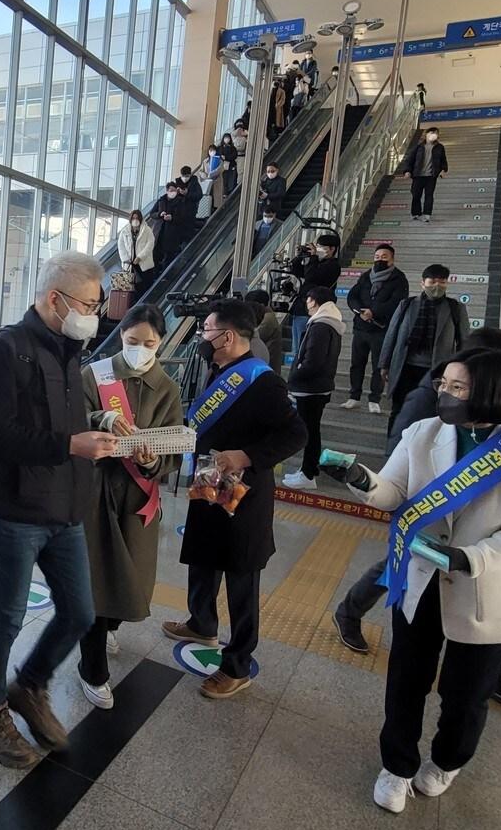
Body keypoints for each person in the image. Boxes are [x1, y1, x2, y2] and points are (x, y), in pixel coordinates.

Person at [321, 350, 501, 813]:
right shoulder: (423, 433)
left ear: (488, 392)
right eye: (443, 384)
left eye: (456, 387)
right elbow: (394, 493)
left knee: (467, 694)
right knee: (406, 680)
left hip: (482, 589)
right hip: (421, 577)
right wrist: (359, 478)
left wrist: (469, 558)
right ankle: (397, 765)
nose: (442, 394)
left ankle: (447, 761)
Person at [0, 251, 118, 768]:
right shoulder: (4, 349)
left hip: (67, 507)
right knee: (6, 617)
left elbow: (65, 419)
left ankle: (29, 685)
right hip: (15, 509)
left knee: (79, 611)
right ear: (56, 299)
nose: (94, 314)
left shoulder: (69, 349)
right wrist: (71, 445)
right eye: (89, 303)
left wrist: (101, 426)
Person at [164, 300, 307, 699]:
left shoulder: (263, 383)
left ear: (226, 336)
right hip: (210, 482)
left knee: (241, 576)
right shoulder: (219, 370)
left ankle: (237, 664)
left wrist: (246, 456)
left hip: (244, 496)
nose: (202, 337)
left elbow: (297, 435)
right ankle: (202, 622)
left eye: (206, 330)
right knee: (203, 555)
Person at [76, 306, 183, 709]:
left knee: (131, 579)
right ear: (120, 336)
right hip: (96, 490)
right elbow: (71, 423)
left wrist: (152, 461)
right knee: (97, 577)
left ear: (162, 342)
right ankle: (92, 668)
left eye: (149, 344)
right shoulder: (96, 375)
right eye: (132, 342)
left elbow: (173, 448)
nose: (139, 350)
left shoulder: (167, 389)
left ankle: (110, 623)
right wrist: (99, 417)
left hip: (138, 497)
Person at [380, 264, 468, 433]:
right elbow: (391, 336)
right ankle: (394, 446)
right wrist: (384, 364)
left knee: (430, 413)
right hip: (405, 368)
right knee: (398, 410)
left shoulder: (455, 308)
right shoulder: (407, 305)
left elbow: (464, 341)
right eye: (432, 281)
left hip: (436, 373)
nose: (437, 286)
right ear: (423, 283)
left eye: (442, 282)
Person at [283, 287, 344, 491]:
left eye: (308, 299)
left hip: (310, 388)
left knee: (309, 431)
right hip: (318, 387)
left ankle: (308, 474)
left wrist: (293, 377)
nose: (307, 303)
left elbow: (312, 362)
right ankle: (308, 471)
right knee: (312, 430)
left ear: (316, 301)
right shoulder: (330, 324)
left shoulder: (320, 326)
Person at [343, 243, 409, 414]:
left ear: (392, 259)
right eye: (377, 257)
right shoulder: (366, 276)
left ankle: (374, 399)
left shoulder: (399, 278)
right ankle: (354, 396)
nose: (380, 259)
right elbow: (352, 296)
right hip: (360, 328)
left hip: (382, 330)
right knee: (357, 364)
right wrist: (359, 311)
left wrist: (374, 312)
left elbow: (398, 302)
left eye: (384, 257)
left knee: (378, 366)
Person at [289, 235, 342, 356]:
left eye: (321, 247)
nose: (318, 249)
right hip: (301, 307)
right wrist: (300, 256)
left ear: (332, 249)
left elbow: (311, 277)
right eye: (317, 246)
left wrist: (313, 257)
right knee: (296, 348)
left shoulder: (333, 265)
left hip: (314, 309)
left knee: (304, 349)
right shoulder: (317, 262)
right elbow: (296, 271)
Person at [398, 127, 448, 223]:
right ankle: (416, 213)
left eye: (436, 133)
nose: (434, 135)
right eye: (432, 133)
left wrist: (443, 170)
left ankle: (427, 214)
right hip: (418, 175)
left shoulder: (440, 147)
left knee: (429, 195)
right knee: (416, 194)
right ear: (426, 134)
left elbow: (443, 161)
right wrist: (407, 171)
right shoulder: (419, 147)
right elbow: (410, 160)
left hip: (431, 176)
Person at [117, 209, 156, 295]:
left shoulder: (147, 230)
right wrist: (125, 258)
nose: (135, 220)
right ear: (130, 219)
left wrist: (140, 257)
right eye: (133, 218)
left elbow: (150, 244)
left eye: (137, 218)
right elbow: (121, 246)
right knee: (130, 288)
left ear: (141, 219)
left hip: (144, 264)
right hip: (130, 264)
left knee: (145, 286)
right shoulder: (125, 231)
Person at [246, 289, 284, 372]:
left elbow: (254, 337)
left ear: (260, 305)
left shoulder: (268, 319)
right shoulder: (268, 316)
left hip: (267, 366)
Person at [152, 182, 185, 268]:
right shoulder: (161, 200)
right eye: (171, 190)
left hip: (171, 235)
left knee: (168, 258)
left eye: (174, 190)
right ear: (167, 191)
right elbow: (152, 213)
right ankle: (155, 274)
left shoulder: (180, 202)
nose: (173, 192)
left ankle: (165, 277)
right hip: (159, 233)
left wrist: (172, 218)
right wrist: (159, 214)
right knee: (155, 256)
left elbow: (182, 218)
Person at [197, 143, 226, 212]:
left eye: (213, 150)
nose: (212, 152)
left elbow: (220, 169)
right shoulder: (205, 161)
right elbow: (200, 171)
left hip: (217, 181)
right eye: (210, 150)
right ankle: (207, 210)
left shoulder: (219, 160)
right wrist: (205, 175)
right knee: (208, 195)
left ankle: (216, 209)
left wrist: (211, 174)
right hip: (207, 181)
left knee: (216, 196)